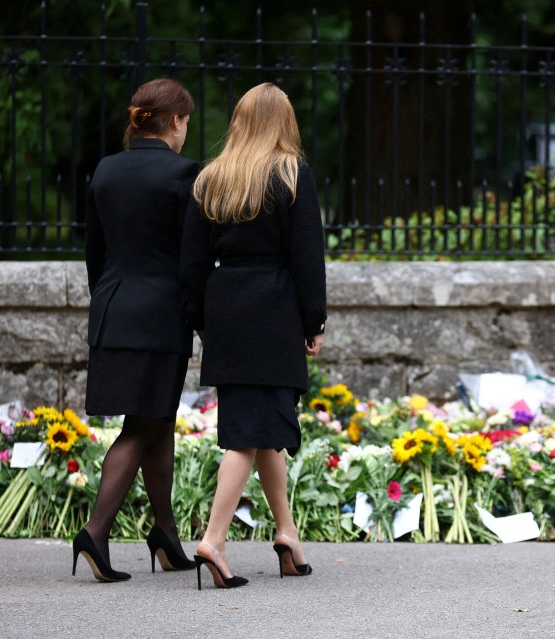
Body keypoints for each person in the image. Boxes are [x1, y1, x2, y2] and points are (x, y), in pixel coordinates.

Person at [180, 83, 327, 590]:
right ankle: (214, 541)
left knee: (263, 428)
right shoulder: (291, 172)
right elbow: (307, 257)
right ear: (283, 121)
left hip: (227, 308)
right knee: (246, 433)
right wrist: (315, 322)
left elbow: (192, 263)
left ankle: (287, 534)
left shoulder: (212, 178)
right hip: (275, 309)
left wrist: (202, 320)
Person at [75, 78, 199, 582]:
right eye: (187, 121)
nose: (187, 130)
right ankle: (95, 531)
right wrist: (201, 317)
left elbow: (94, 255)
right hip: (160, 316)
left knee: (158, 418)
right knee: (143, 425)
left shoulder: (106, 170)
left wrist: (108, 301)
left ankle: (165, 533)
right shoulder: (184, 174)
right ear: (174, 121)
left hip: (112, 310)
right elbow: (191, 262)